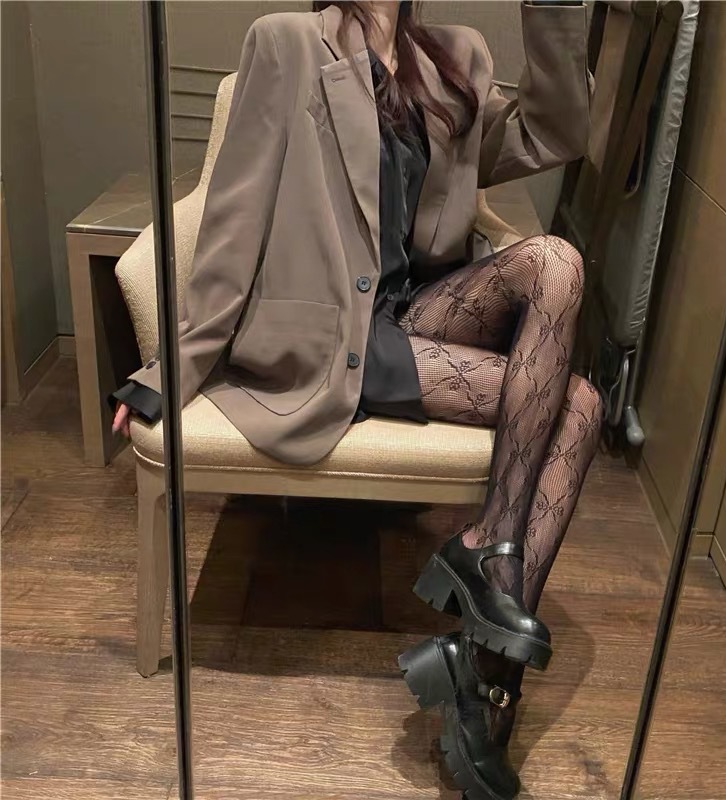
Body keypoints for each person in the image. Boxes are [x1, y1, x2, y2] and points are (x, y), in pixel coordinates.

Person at [113, 2, 601, 797]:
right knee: (577, 406)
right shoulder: (286, 43)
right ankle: (491, 690)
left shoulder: (455, 57)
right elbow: (234, 219)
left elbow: (556, 133)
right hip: (326, 332)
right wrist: (170, 370)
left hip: (414, 313)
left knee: (560, 267)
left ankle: (487, 578)